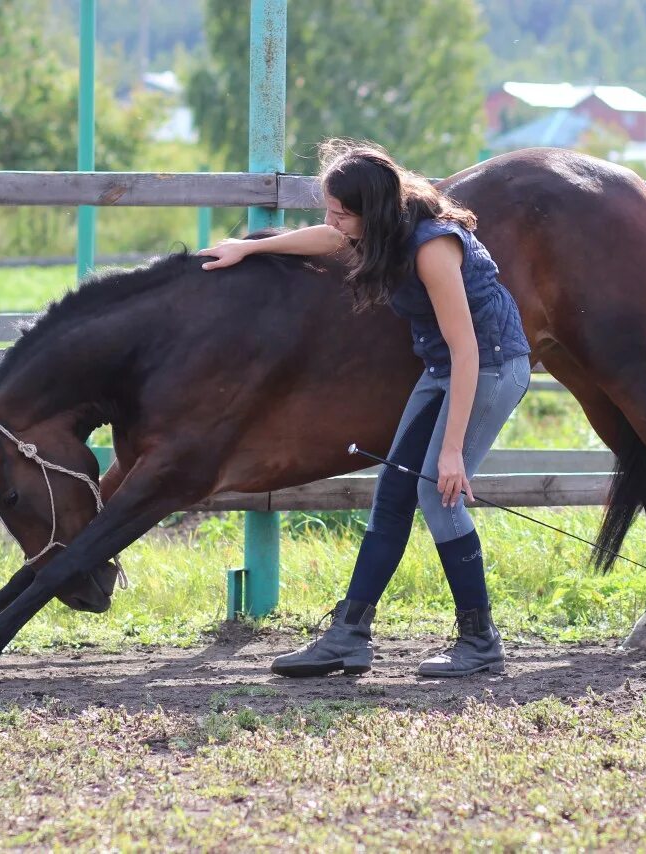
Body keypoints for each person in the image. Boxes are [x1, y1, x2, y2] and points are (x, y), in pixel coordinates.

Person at [202, 140, 531, 677]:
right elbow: (329, 238)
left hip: (489, 367)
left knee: (438, 492)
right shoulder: (381, 228)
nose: (332, 221)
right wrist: (249, 248)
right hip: (442, 367)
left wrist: (452, 452)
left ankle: (480, 641)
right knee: (394, 491)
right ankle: (348, 636)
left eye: (341, 211)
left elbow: (468, 348)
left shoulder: (432, 247)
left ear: (371, 211)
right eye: (329, 208)